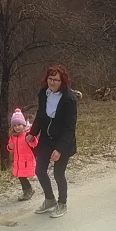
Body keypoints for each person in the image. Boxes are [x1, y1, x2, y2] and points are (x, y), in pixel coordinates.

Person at [28, 65, 78, 218]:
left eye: (56, 80)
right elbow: (40, 115)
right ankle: (50, 200)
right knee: (39, 170)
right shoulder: (44, 93)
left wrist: (59, 149)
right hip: (46, 139)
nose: (52, 82)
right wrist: (32, 133)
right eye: (50, 78)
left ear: (62, 81)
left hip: (62, 142)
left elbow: (70, 128)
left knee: (58, 174)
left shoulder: (69, 99)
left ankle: (62, 203)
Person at [6, 108, 38, 201]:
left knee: (22, 176)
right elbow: (10, 148)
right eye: (15, 125)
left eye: (19, 124)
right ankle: (27, 191)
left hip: (26, 160)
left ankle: (28, 191)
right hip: (18, 160)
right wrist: (10, 147)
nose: (17, 127)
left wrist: (31, 140)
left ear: (23, 124)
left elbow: (34, 144)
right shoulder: (13, 136)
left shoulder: (27, 134)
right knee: (21, 176)